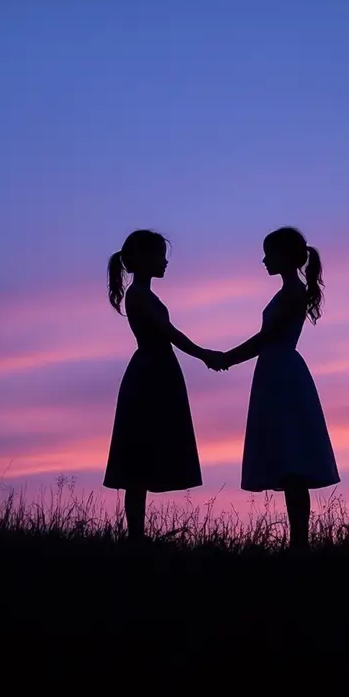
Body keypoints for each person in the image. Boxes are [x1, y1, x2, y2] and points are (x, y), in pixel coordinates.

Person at [213, 227, 340, 550]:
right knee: (287, 458)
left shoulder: (293, 293)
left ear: (285, 256)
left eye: (269, 253)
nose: (264, 260)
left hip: (282, 374)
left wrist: (228, 357)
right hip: (274, 372)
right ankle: (298, 542)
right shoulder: (290, 291)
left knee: (292, 458)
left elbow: (265, 338)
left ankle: (300, 542)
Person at [104, 229, 224, 541]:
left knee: (144, 451)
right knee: (137, 454)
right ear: (143, 259)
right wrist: (204, 355)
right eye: (160, 255)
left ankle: (137, 536)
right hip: (150, 375)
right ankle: (136, 536)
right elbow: (168, 332)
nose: (165, 261)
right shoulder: (139, 295)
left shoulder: (143, 294)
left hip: (157, 372)